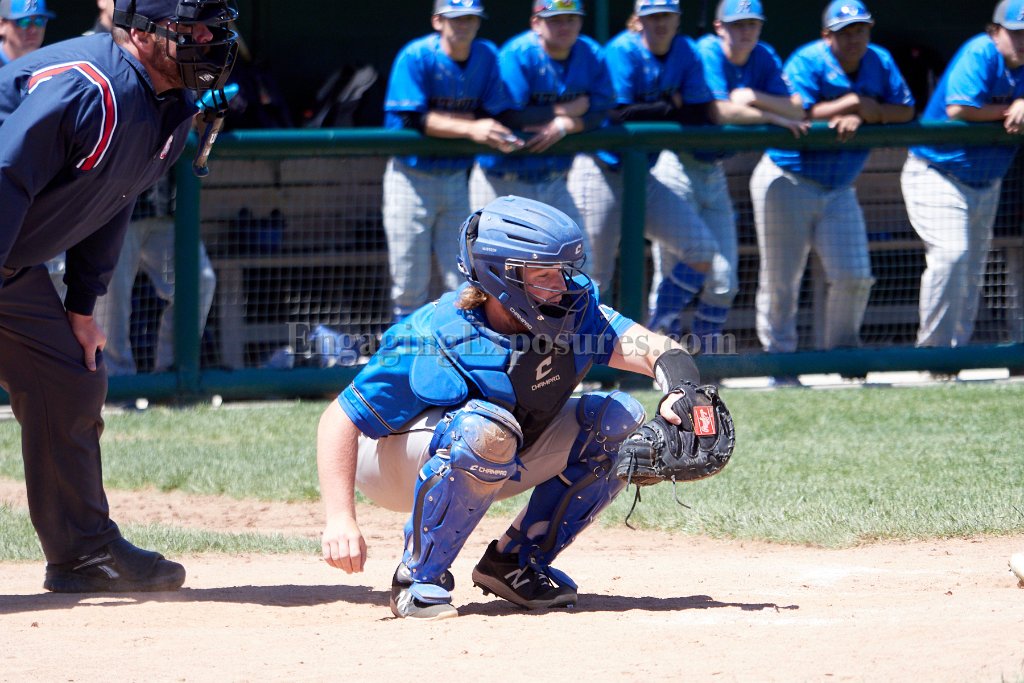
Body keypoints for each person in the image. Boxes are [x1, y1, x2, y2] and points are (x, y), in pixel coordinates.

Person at [317, 195, 706, 620]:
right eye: (544, 275)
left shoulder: (573, 314)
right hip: (391, 464)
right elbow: (338, 419)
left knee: (619, 420)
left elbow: (656, 350)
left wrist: (683, 391)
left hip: (497, 447)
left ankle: (514, 563)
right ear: (501, 276)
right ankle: (418, 579)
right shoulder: (430, 335)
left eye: (563, 271)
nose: (561, 286)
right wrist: (340, 519)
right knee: (486, 429)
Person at [0, 0, 238, 592]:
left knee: (69, 378)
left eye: (212, 24)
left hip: (13, 267)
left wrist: (82, 307)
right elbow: (5, 172)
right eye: (190, 26)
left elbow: (113, 196)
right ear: (142, 32)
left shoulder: (169, 101)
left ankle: (83, 554)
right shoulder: (91, 86)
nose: (207, 36)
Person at [748, 0, 914, 367]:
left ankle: (843, 356)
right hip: (788, 178)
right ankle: (779, 362)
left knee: (855, 275)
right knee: (781, 279)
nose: (854, 39)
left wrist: (869, 113)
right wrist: (853, 103)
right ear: (827, 36)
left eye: (860, 30)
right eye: (845, 32)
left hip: (839, 188)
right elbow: (800, 111)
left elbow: (905, 109)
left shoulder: (879, 60)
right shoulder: (807, 60)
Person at [651, 0, 807, 353]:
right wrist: (771, 117)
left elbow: (797, 108)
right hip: (678, 164)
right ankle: (659, 358)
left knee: (724, 281)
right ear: (720, 27)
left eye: (752, 24)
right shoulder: (706, 50)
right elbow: (719, 111)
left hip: (714, 171)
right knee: (672, 272)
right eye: (738, 25)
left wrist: (753, 96)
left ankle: (707, 360)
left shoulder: (763, 55)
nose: (746, 31)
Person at [567, 0, 719, 330]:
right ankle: (585, 352)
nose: (660, 23)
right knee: (594, 275)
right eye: (652, 17)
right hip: (601, 171)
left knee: (702, 249)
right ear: (638, 21)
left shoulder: (686, 50)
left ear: (678, 19)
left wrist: (658, 108)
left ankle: (657, 327)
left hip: (642, 175)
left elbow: (699, 112)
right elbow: (620, 113)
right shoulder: (622, 50)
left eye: (666, 16)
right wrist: (672, 105)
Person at [89, 0, 218, 376]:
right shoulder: (91, 47)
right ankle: (115, 383)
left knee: (198, 281)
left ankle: (173, 375)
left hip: (160, 200)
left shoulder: (166, 40)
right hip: (110, 205)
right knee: (109, 300)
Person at [382, 0, 521, 322]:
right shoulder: (416, 55)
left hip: (458, 178)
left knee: (462, 279)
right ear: (437, 22)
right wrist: (470, 127)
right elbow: (412, 119)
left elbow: (496, 113)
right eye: (455, 19)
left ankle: (456, 343)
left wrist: (459, 123)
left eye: (470, 18)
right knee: (409, 281)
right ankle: (406, 347)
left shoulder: (486, 55)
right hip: (411, 178)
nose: (463, 25)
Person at [900, 0, 1024, 348]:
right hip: (938, 173)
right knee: (951, 256)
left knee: (971, 271)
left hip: (986, 183)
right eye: (1015, 33)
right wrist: (1011, 109)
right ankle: (933, 354)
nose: (1022, 41)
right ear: (995, 32)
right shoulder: (981, 52)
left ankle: (956, 354)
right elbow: (959, 108)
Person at [468, 0, 613, 256]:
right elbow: (510, 116)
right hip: (502, 181)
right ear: (536, 23)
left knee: (578, 263)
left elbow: (601, 110)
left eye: (571, 19)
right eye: (555, 20)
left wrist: (567, 124)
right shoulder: (518, 54)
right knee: (497, 267)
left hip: (553, 179)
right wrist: (565, 110)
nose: (564, 26)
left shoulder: (590, 53)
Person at [0, 0, 53, 66]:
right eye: (24, 22)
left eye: (39, 21)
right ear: (1, 26)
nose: (33, 30)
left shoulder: (50, 64)